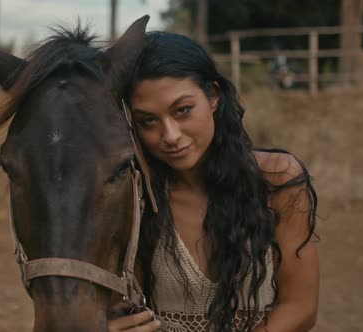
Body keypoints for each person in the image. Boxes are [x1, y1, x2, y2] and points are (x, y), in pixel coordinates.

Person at [107, 31, 319, 332]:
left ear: (214, 96)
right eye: (148, 121)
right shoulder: (135, 196)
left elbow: (301, 307)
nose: (170, 136)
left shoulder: (276, 180)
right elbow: (112, 307)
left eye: (183, 110)